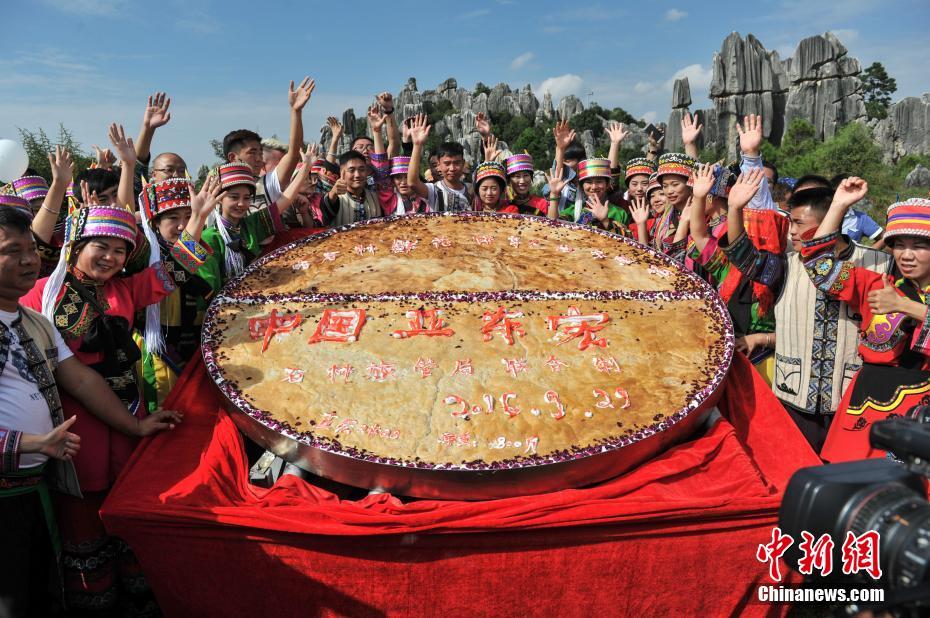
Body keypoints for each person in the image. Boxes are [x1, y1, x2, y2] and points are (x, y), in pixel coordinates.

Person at [0, 206, 169, 616]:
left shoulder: (34, 320)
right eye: (100, 246)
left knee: (31, 574)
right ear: (74, 247)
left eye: (119, 250)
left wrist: (136, 424)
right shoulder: (46, 293)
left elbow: (79, 377)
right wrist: (29, 442)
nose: (28, 259)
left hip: (77, 434)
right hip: (50, 443)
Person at [721, 183, 891, 452]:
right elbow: (744, 257)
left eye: (799, 223)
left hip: (853, 400)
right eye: (791, 222)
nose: (793, 231)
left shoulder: (880, 265)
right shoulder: (787, 265)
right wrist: (734, 208)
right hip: (793, 397)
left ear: (830, 223)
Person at [802, 185, 930, 462]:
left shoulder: (892, 296)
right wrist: (838, 205)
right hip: (866, 404)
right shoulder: (876, 285)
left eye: (919, 247)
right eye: (899, 246)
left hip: (921, 414)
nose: (906, 255)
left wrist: (904, 306)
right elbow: (818, 264)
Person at [135, 175, 220, 411]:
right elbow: (176, 268)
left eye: (188, 217)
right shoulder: (140, 258)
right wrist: (199, 217)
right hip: (154, 355)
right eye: (173, 218)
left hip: (190, 348)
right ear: (154, 224)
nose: (183, 225)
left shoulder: (195, 255)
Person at [223, 76, 316, 211]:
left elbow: (293, 153)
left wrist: (296, 111)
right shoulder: (215, 191)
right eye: (252, 153)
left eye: (260, 153)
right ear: (233, 158)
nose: (259, 159)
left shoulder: (267, 184)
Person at [198, 163, 283, 293]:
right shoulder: (208, 238)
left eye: (247, 198)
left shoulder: (250, 225)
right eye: (234, 197)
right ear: (219, 199)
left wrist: (305, 167)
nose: (241, 203)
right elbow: (208, 286)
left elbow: (283, 203)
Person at [407, 114, 472, 212]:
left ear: (463, 163)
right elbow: (412, 183)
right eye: (447, 163)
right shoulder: (434, 190)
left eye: (457, 163)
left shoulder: (470, 190)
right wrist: (417, 145)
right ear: (439, 165)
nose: (452, 168)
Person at [558, 158, 631, 235]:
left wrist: (605, 221)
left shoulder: (619, 213)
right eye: (589, 182)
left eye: (599, 181)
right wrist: (554, 195)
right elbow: (554, 229)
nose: (594, 187)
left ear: (607, 184)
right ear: (581, 186)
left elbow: (628, 241)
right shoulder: (572, 211)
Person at [652, 152, 695, 258]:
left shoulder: (701, 216)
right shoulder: (664, 218)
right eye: (665, 186)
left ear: (689, 185)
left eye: (675, 184)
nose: (669, 191)